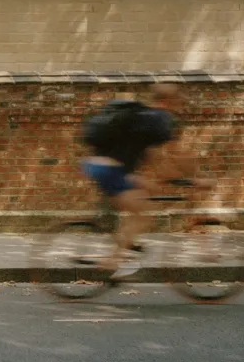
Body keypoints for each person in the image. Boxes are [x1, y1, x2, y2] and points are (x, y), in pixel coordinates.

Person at [78, 81, 190, 279]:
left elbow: (148, 157)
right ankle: (113, 262)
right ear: (167, 101)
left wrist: (151, 180)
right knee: (145, 214)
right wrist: (190, 180)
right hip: (110, 169)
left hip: (96, 164)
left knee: (144, 193)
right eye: (179, 101)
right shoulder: (159, 120)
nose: (181, 106)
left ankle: (127, 243)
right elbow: (171, 158)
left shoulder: (141, 118)